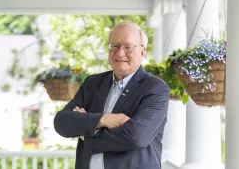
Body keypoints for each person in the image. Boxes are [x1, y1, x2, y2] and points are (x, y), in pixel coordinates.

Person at [54, 21, 170, 169]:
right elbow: (62, 122)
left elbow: (137, 137)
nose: (120, 53)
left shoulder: (156, 88)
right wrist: (104, 119)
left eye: (128, 47)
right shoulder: (92, 83)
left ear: (142, 51)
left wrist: (88, 133)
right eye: (115, 46)